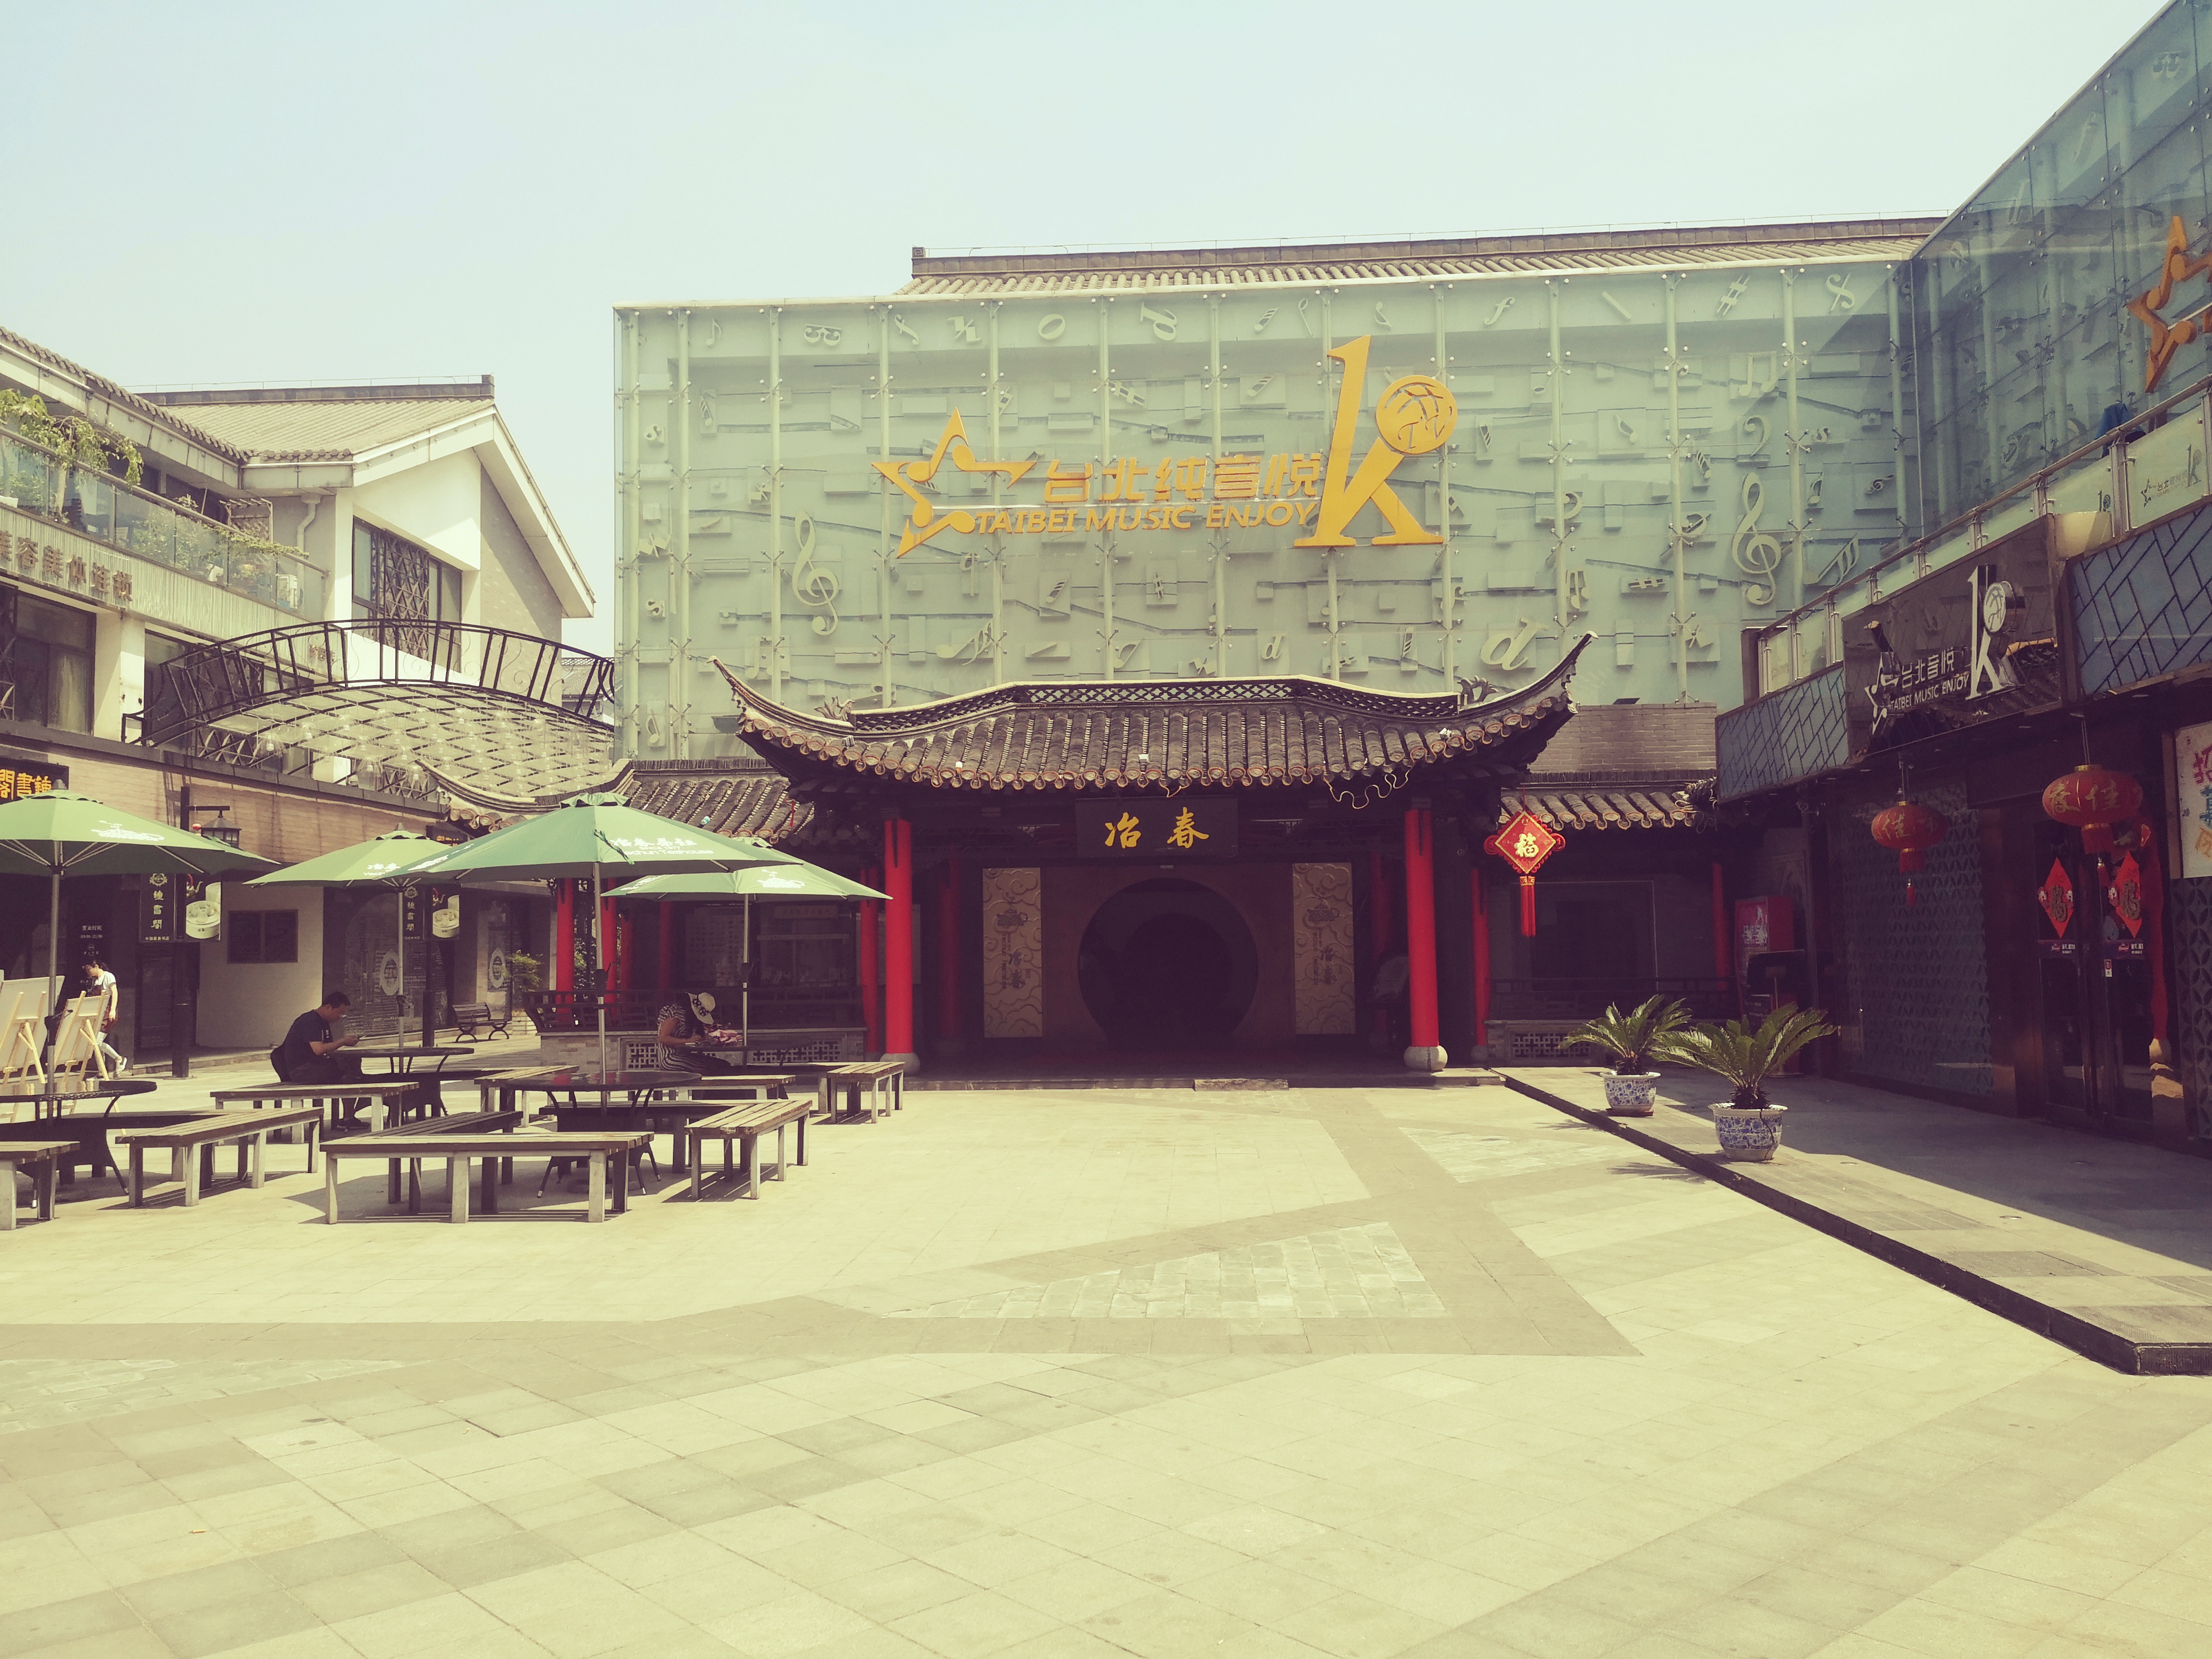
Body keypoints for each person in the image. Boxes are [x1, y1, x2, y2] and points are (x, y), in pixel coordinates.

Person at [279, 990, 361, 1084]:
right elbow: (319, 1049)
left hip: (316, 1064)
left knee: (351, 1059)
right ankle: (355, 1084)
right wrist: (343, 1041)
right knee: (341, 1072)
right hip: (302, 1069)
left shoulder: (324, 1022)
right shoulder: (310, 1020)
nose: (340, 1017)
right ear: (329, 1007)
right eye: (340, 1013)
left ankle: (359, 1084)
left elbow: (329, 1048)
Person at [657, 992, 743, 1075]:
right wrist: (688, 1040)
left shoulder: (689, 1017)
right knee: (710, 1068)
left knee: (722, 1064)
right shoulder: (676, 1013)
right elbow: (663, 1038)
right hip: (670, 1058)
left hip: (684, 1054)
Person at [81, 955, 128, 1075]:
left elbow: (115, 992)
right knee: (95, 1043)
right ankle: (102, 1071)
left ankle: (119, 1059)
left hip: (107, 1012)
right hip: (99, 1013)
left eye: (89, 969)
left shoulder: (108, 976)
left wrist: (113, 1010)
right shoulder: (96, 981)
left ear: (96, 966)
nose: (88, 972)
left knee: (97, 1042)